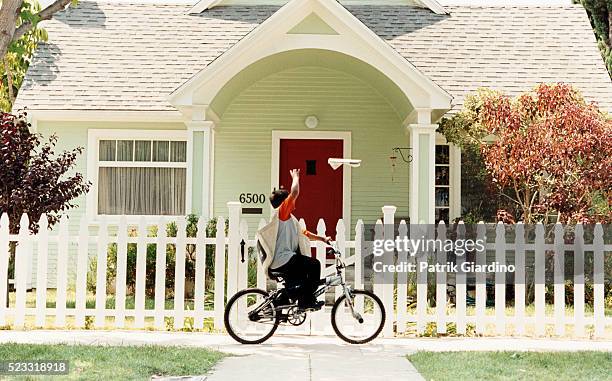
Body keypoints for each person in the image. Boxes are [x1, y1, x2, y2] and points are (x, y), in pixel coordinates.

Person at [256, 168, 330, 310]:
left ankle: (281, 304)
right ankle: (306, 301)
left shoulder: (290, 219)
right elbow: (295, 192)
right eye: (289, 200)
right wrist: (295, 177)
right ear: (285, 202)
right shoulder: (282, 213)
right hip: (283, 259)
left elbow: (304, 233)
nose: (294, 201)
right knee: (314, 265)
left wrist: (323, 239)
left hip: (285, 260)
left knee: (299, 282)